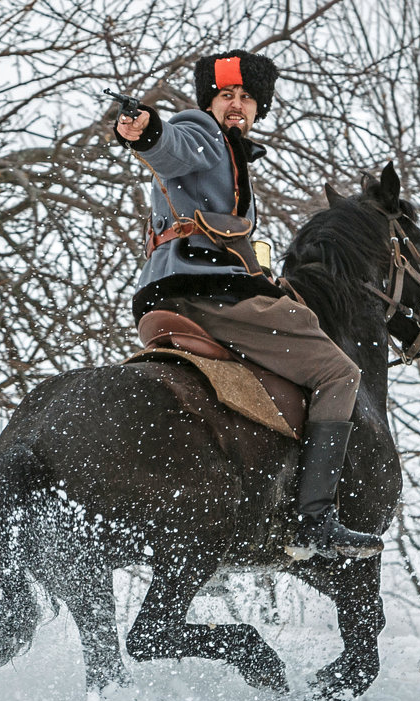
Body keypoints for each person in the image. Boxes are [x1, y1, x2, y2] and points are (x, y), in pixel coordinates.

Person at [114, 49, 382, 561]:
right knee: (340, 373)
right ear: (207, 102)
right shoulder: (203, 131)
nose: (235, 105)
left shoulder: (230, 153)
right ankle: (315, 519)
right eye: (225, 95)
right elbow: (171, 145)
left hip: (173, 291)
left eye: (246, 97)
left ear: (260, 107)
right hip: (208, 294)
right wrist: (146, 129)